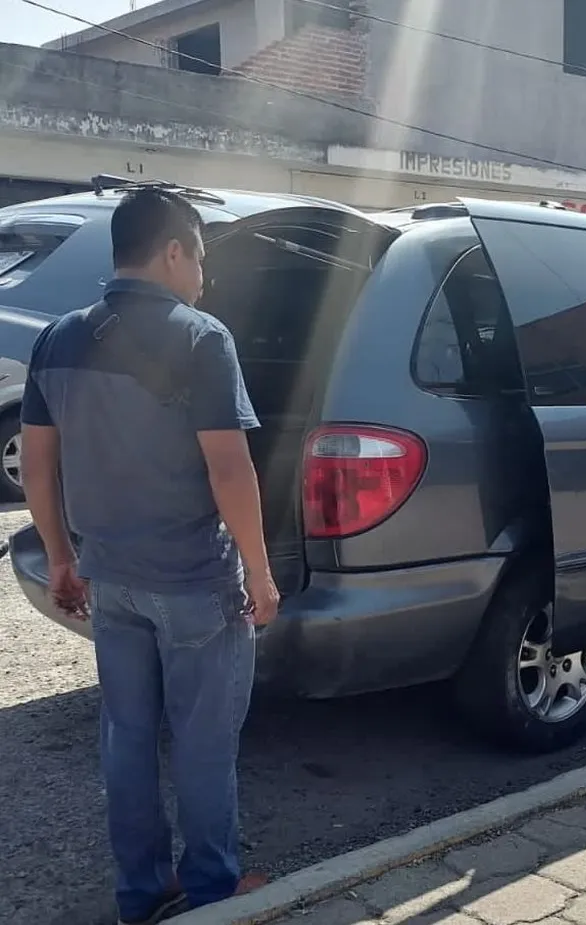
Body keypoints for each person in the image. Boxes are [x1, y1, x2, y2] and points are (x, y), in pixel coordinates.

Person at [20, 188, 279, 924]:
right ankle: (211, 894)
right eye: (199, 257)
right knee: (202, 744)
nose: (203, 276)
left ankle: (142, 891)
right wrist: (260, 573)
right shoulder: (203, 338)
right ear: (173, 251)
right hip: (196, 582)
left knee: (127, 738)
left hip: (112, 580)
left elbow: (38, 464)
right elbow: (230, 469)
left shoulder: (58, 338)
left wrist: (63, 556)